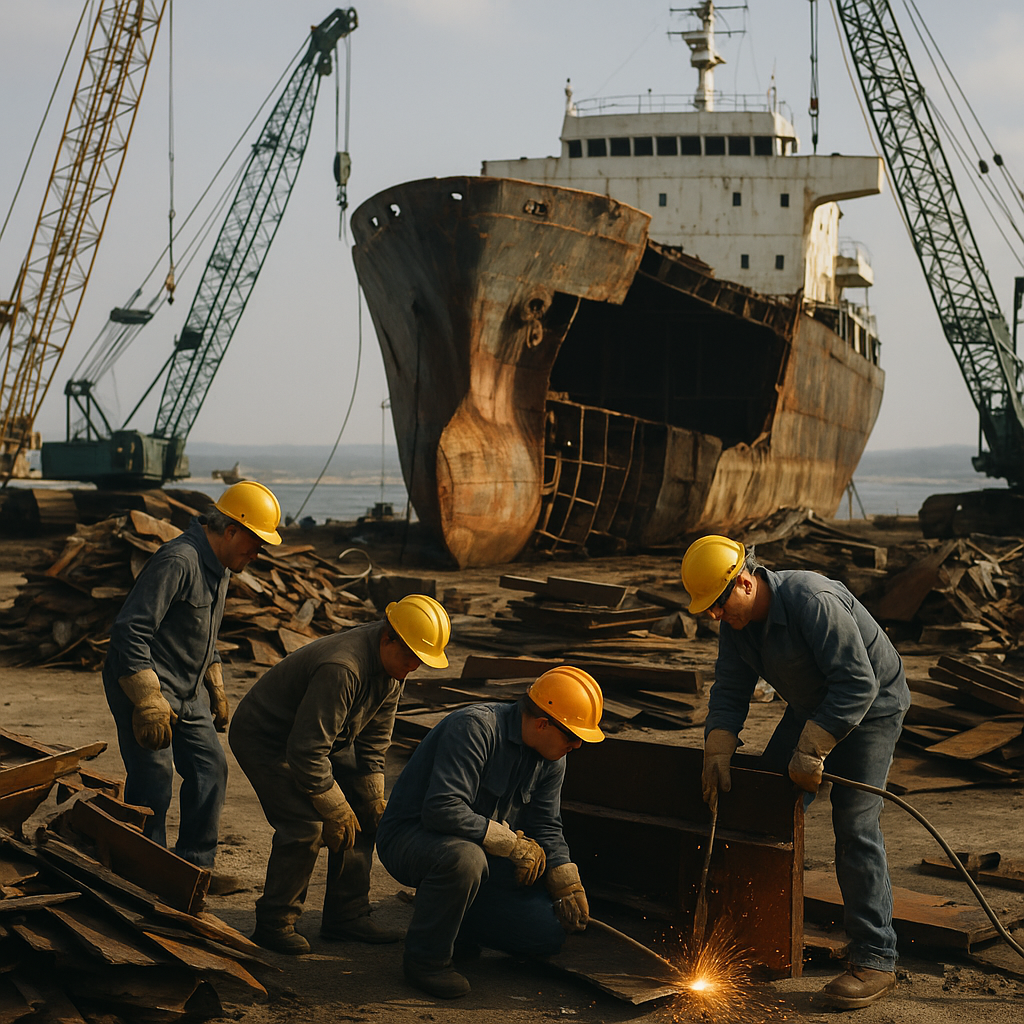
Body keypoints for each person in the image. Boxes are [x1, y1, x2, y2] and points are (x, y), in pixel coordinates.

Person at [680, 534, 910, 1011]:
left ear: (745, 583)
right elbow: (730, 687)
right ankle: (757, 937)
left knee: (855, 826)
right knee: (765, 807)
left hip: (873, 708)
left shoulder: (812, 600)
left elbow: (857, 684)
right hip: (813, 704)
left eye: (718, 605)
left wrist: (812, 750)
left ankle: (875, 958)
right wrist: (718, 742)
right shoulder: (738, 622)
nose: (716, 616)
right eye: (709, 610)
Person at [228, 593, 452, 955]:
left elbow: (375, 738)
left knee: (365, 811)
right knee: (305, 827)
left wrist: (372, 795)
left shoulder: (394, 668)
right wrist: (333, 806)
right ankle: (274, 922)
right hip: (267, 738)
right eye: (411, 656)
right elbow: (305, 751)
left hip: (321, 741)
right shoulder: (343, 668)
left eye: (421, 660)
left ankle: (346, 916)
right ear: (387, 637)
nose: (414, 667)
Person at [375, 667, 605, 999]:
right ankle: (426, 961)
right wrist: (509, 843)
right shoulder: (474, 728)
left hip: (481, 851)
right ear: (542, 724)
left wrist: (564, 878)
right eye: (572, 736)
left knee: (546, 934)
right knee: (464, 860)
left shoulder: (552, 756)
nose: (577, 744)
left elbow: (546, 824)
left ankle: (457, 922)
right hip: (413, 838)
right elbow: (442, 808)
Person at [102, 480, 282, 887]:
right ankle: (144, 873)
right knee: (154, 779)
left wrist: (214, 682)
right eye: (254, 544)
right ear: (231, 530)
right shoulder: (178, 561)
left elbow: (202, 632)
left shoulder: (222, 567)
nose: (256, 554)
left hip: (188, 689)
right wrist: (147, 699)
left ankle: (193, 870)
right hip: (143, 683)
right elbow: (129, 631)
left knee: (210, 769)